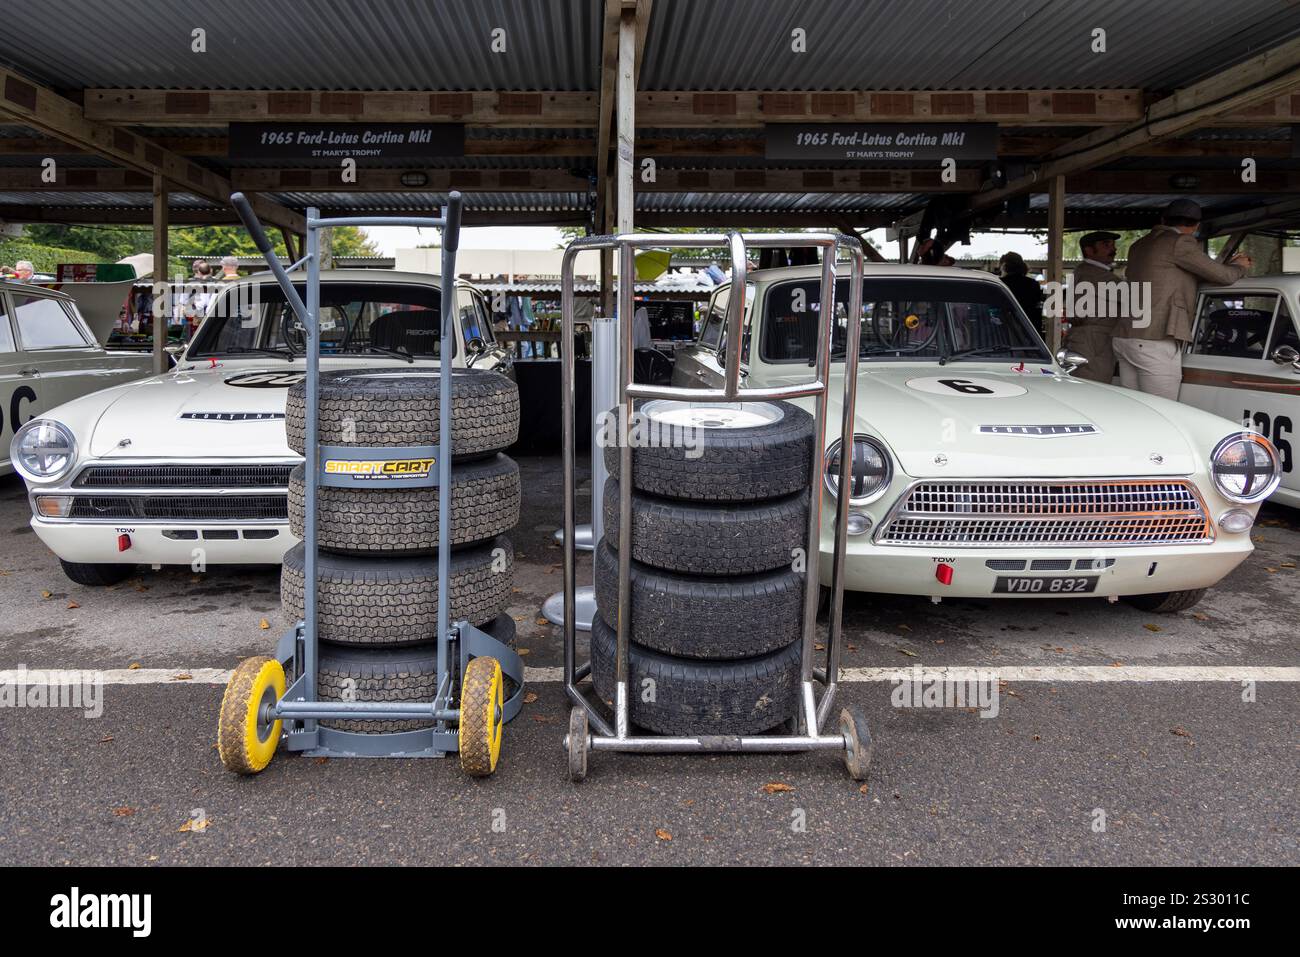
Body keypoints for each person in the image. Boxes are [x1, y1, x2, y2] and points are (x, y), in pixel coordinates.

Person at [1112, 199, 1251, 400]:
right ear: (1196, 226)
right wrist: (1239, 266)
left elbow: (1176, 273)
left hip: (1125, 336)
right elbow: (1224, 277)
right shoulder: (1180, 242)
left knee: (1136, 410)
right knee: (1163, 412)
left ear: (1163, 219)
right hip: (1154, 339)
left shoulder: (1140, 244)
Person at [1063, 231, 1121, 383]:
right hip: (1093, 339)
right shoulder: (1092, 273)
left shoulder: (1085, 271)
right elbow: (1133, 295)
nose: (1113, 249)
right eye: (1106, 245)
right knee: (1093, 385)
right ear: (1089, 250)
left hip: (1090, 337)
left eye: (1113, 245)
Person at [998, 252, 1045, 337]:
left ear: (1004, 266)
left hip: (1005, 332)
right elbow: (1036, 309)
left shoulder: (1001, 283)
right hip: (1029, 331)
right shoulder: (1033, 284)